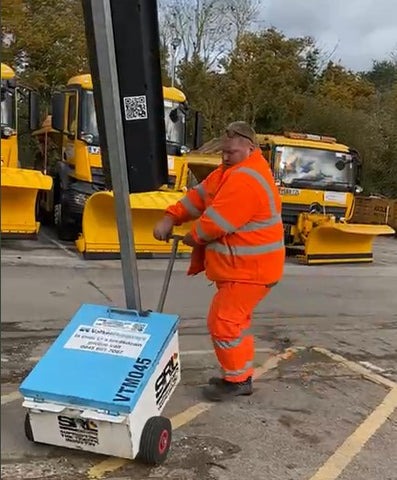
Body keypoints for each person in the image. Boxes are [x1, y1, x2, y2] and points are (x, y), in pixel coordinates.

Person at [153, 121, 285, 401]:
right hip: (244, 270)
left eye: (232, 152)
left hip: (252, 272)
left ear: (250, 149)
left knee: (223, 322)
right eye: (223, 152)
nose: (225, 157)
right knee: (233, 322)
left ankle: (237, 380)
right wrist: (171, 215)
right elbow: (199, 197)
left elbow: (216, 224)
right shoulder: (228, 172)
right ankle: (240, 373)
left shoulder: (246, 179)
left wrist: (193, 236)